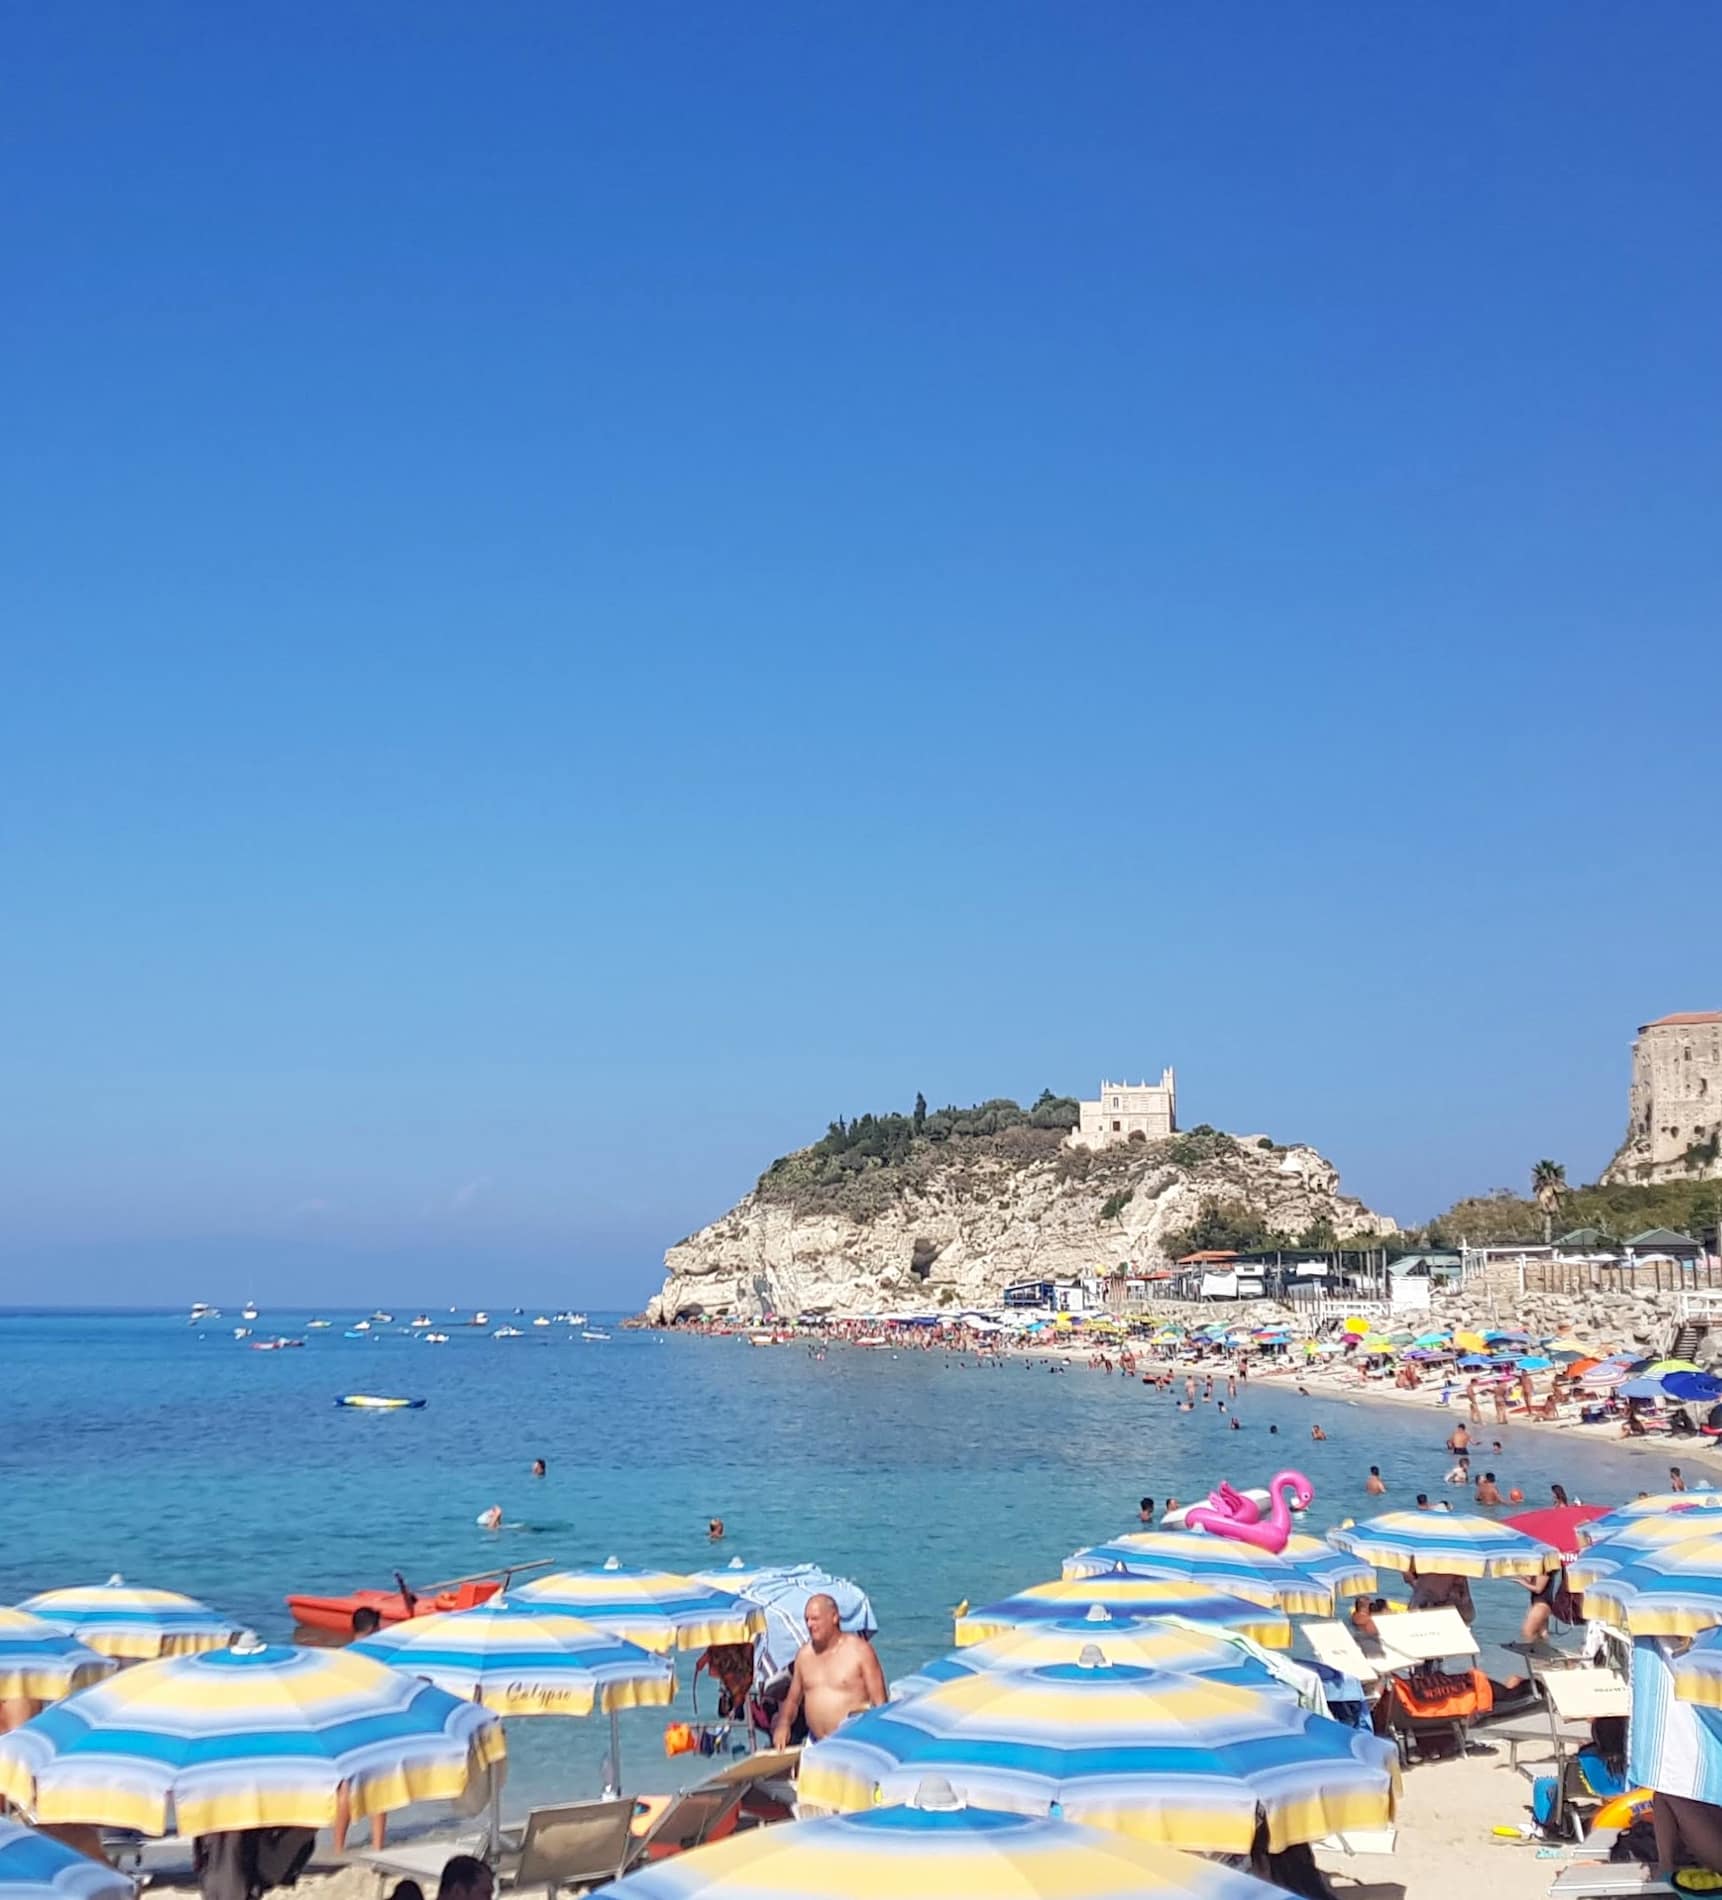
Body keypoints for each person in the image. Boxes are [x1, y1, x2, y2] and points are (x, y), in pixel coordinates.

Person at [771, 1593, 887, 1746]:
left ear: (834, 1618)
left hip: (853, 1742)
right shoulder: (804, 1656)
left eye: (815, 1619)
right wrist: (783, 1724)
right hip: (816, 1743)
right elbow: (792, 1700)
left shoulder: (860, 1651)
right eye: (807, 1619)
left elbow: (880, 1703)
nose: (810, 1624)